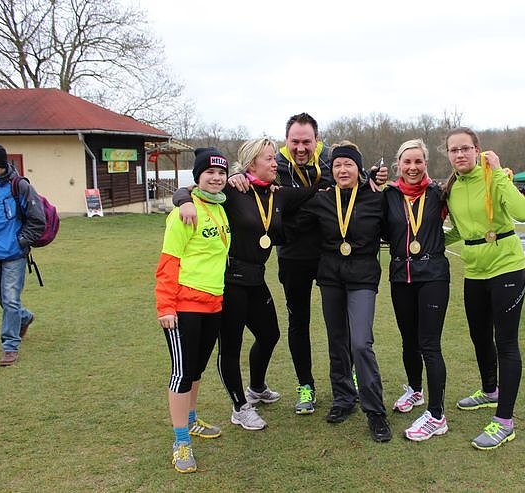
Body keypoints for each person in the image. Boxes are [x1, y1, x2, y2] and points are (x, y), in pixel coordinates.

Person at [223, 113, 388, 415]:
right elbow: (235, 185)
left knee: (342, 322)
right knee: (299, 321)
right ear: (286, 140)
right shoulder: (275, 165)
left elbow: (354, 178)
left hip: (331, 255)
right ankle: (306, 385)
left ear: (317, 140)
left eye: (306, 142)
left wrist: (372, 178)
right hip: (292, 256)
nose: (300, 148)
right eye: (295, 142)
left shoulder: (329, 161)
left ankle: (349, 373)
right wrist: (237, 176)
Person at [175, 139, 320, 430]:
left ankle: (256, 388)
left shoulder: (277, 194)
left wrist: (363, 178)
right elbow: (188, 190)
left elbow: (312, 191)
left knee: (270, 334)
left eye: (274, 158)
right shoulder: (232, 190)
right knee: (231, 346)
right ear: (252, 163)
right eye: (269, 158)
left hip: (256, 278)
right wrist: (185, 202)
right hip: (230, 281)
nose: (275, 163)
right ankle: (240, 407)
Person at [291, 141, 392, 442]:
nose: (342, 170)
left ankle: (375, 411)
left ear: (359, 169)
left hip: (363, 277)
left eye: (348, 164)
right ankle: (344, 398)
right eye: (337, 165)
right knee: (337, 341)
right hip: (331, 277)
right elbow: (290, 223)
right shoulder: (322, 199)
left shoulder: (375, 199)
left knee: (360, 342)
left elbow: (396, 229)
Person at [441, 128, 525, 450]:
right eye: (454, 150)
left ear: (477, 150)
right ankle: (490, 390)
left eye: (465, 148)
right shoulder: (451, 188)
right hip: (474, 271)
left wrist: (499, 175)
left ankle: (504, 421)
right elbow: (461, 232)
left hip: (506, 266)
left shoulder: (494, 177)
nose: (460, 154)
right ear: (448, 154)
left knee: (505, 342)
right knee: (479, 336)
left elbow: (523, 213)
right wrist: (427, 240)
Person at [155, 148, 230, 473]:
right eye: (209, 172)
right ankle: (181, 441)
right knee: (182, 373)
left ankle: (192, 419)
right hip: (183, 306)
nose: (216, 178)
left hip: (213, 304)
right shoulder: (184, 212)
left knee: (197, 370)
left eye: (221, 173)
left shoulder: (220, 207)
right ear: (198, 175)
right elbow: (168, 263)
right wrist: (166, 307)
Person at [383, 139, 450, 441]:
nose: (412, 167)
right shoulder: (388, 196)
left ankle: (437, 416)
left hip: (433, 276)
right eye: (407, 162)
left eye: (418, 161)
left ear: (426, 163)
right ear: (398, 164)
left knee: (429, 344)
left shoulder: (439, 193)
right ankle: (415, 390)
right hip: (401, 276)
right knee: (408, 340)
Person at [0, 144, 44, 366]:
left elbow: (38, 220)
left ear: (0, 164)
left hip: (13, 254)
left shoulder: (20, 186)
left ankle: (10, 346)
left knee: (10, 298)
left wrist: (21, 242)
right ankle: (24, 317)